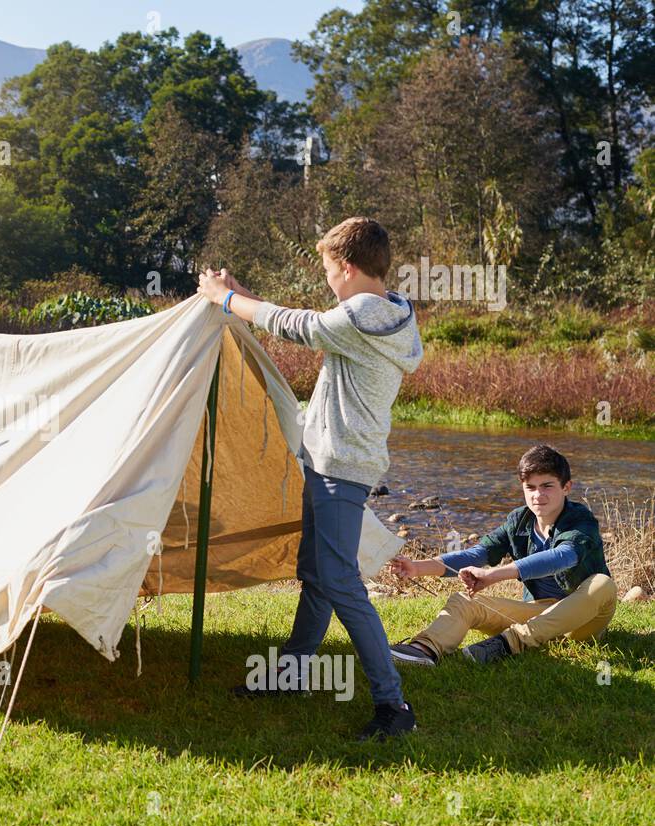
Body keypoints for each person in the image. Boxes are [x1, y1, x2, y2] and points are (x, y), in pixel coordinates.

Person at [197, 216, 423, 741]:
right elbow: (303, 319)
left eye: (327, 270)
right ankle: (293, 674)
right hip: (330, 463)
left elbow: (303, 327)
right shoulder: (385, 312)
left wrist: (224, 300)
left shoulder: (362, 314)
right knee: (317, 572)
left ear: (346, 267)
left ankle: (395, 707)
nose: (326, 280)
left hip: (342, 470)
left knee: (341, 580)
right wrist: (240, 294)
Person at [388, 445, 616, 665]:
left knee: (602, 584)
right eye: (531, 487)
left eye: (547, 486)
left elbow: (562, 556)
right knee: (464, 601)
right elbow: (478, 553)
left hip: (581, 622)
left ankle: (510, 643)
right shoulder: (519, 520)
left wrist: (494, 575)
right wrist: (418, 568)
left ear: (566, 487)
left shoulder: (580, 519)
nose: (538, 495)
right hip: (538, 612)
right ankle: (423, 651)